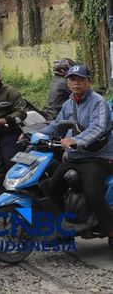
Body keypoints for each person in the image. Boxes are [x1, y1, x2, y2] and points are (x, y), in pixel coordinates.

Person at [35, 64, 113, 244]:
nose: (75, 83)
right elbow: (57, 124)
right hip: (75, 156)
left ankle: (110, 230)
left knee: (93, 193)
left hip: (97, 157)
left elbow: (98, 128)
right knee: (53, 187)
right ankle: (65, 227)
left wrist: (76, 140)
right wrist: (36, 134)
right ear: (68, 82)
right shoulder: (69, 103)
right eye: (72, 79)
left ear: (88, 82)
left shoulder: (98, 102)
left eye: (80, 79)